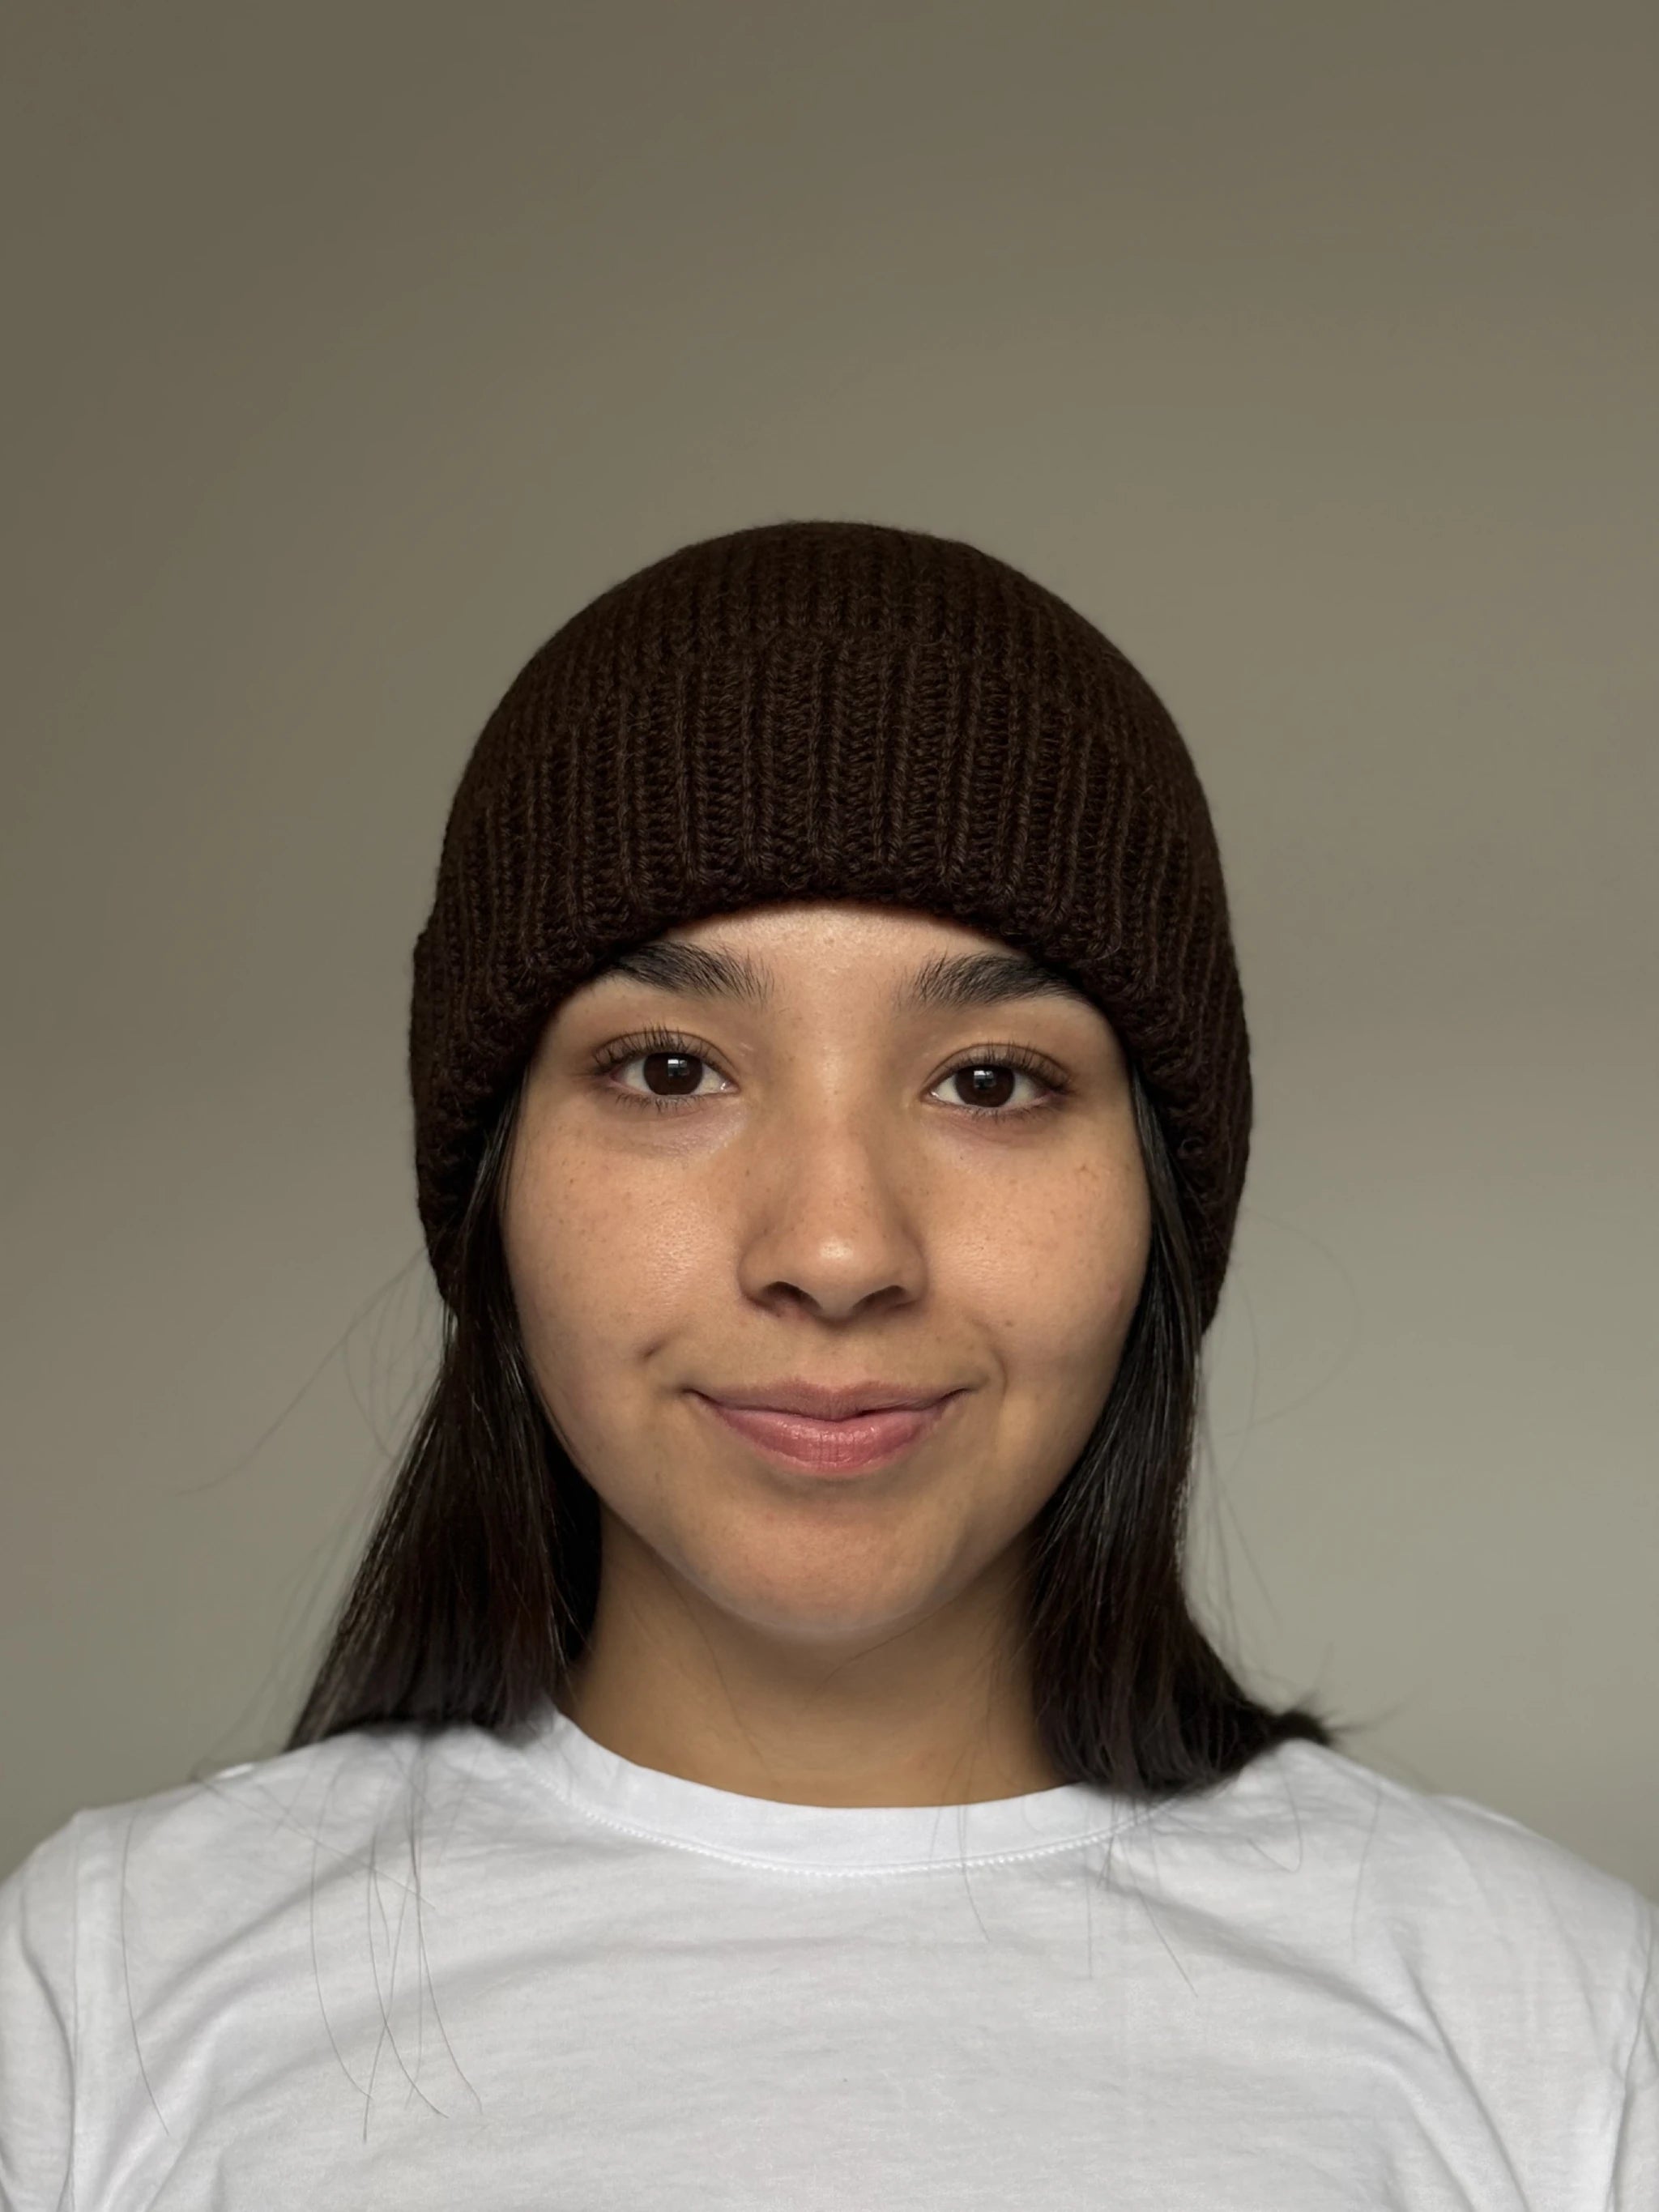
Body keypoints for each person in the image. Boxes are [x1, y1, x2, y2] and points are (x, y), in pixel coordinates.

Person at [0, 520, 1652, 2208]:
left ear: (1160, 1191)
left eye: (990, 1081)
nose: (840, 1248)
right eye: (669, 1069)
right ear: (491, 1176)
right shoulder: (98, 1996)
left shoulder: (1562, 2036)